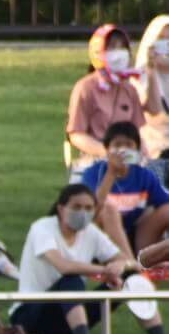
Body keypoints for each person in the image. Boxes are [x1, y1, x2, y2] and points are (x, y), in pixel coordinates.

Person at [9, 183, 169, 334]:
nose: (83, 213)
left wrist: (122, 266)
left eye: (88, 208)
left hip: (69, 313)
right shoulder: (42, 228)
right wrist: (107, 271)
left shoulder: (91, 232)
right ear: (61, 209)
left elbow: (129, 263)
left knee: (131, 278)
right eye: (77, 207)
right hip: (31, 315)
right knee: (72, 280)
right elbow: (64, 267)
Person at [67, 24, 162, 177]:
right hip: (95, 159)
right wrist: (107, 152)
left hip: (129, 159)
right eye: (112, 47)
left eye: (122, 47)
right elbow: (76, 135)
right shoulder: (85, 87)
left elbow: (154, 111)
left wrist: (151, 71)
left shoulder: (128, 88)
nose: (118, 53)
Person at [80, 121, 169, 257]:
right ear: (107, 149)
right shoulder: (93, 173)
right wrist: (111, 173)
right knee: (108, 211)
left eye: (128, 145)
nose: (123, 150)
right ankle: (129, 263)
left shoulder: (144, 176)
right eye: (117, 145)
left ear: (137, 150)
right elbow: (91, 210)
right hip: (101, 237)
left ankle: (145, 259)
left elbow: (164, 203)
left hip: (137, 235)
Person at [136, 17, 169, 161]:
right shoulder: (140, 75)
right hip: (154, 146)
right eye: (161, 39)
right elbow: (154, 113)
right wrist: (152, 70)